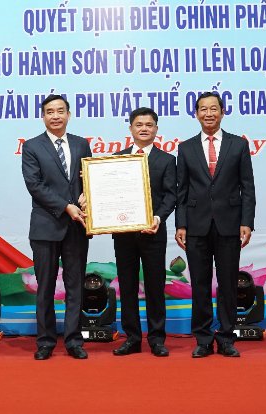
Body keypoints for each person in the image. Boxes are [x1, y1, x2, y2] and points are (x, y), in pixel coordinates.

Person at [175, 92, 256, 358]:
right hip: (196, 226)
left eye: (213, 109)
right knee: (199, 283)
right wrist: (181, 224)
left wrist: (246, 222)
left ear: (222, 111)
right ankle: (203, 338)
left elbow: (247, 187)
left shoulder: (238, 145)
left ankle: (226, 337)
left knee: (228, 283)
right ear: (196, 114)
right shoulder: (186, 148)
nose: (208, 114)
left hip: (230, 224)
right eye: (203, 109)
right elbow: (182, 191)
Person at [22, 94, 91, 360]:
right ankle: (46, 341)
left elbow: (88, 178)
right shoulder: (32, 146)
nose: (55, 116)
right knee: (46, 287)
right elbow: (35, 185)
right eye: (50, 111)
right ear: (43, 116)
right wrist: (66, 206)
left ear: (68, 114)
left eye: (60, 111)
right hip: (46, 226)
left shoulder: (81, 144)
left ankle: (74, 340)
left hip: (77, 227)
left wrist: (88, 194)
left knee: (75, 287)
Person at [111, 107, 176, 357]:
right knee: (126, 287)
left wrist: (158, 217)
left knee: (154, 286)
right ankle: (132, 338)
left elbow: (171, 195)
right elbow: (111, 194)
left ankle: (157, 339)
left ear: (156, 129)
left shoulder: (167, 160)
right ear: (130, 129)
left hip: (153, 232)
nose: (144, 129)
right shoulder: (117, 159)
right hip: (124, 234)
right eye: (139, 125)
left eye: (149, 125)